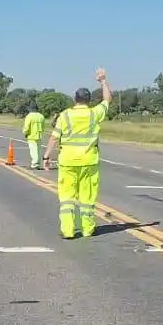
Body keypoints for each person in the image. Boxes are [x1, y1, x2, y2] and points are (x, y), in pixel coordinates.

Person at [43, 68, 112, 239]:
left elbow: (54, 137)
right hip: (89, 162)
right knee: (87, 199)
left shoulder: (65, 116)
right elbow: (107, 100)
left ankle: (68, 230)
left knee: (67, 199)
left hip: (68, 162)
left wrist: (46, 156)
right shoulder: (94, 114)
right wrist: (103, 80)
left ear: (75, 99)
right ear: (88, 100)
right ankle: (88, 229)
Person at [21, 102, 46, 170]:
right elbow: (43, 127)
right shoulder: (41, 116)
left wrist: (25, 133)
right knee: (38, 150)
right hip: (39, 135)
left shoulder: (29, 116)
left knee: (33, 150)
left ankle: (34, 164)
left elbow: (26, 127)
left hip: (31, 135)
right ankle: (37, 164)